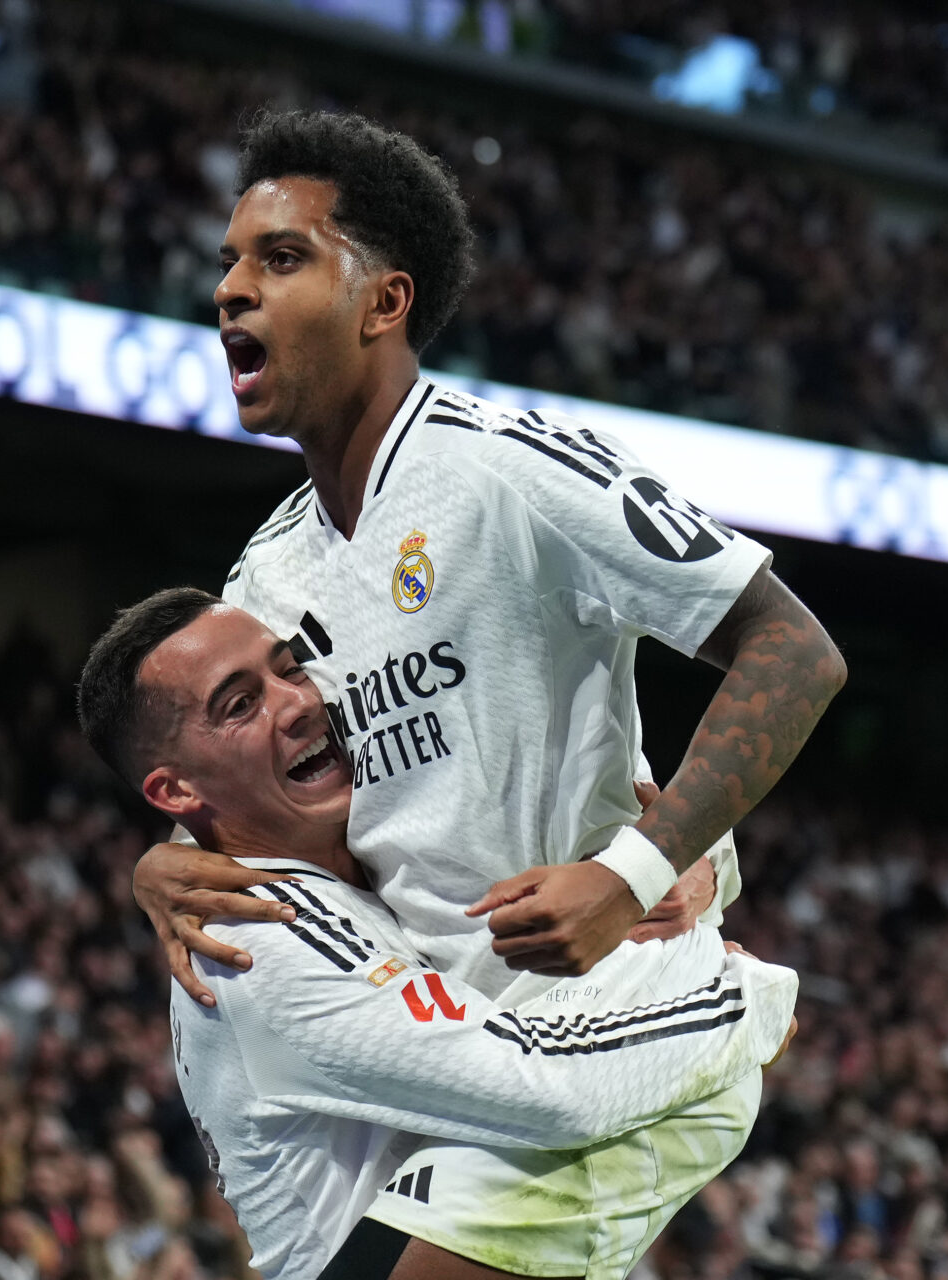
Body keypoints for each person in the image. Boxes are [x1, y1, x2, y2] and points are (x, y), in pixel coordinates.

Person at [133, 107, 845, 1002]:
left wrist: (640, 871)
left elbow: (794, 650)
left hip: (583, 1016)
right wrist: (166, 861)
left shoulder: (513, 469)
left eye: (281, 259)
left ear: (385, 303)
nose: (230, 289)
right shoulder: (264, 575)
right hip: (448, 1044)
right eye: (229, 262)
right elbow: (259, 798)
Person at [79, 589, 800, 1280]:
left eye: (291, 668)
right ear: (175, 792)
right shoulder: (256, 937)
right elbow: (548, 1084)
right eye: (241, 705)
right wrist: (747, 1005)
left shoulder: (366, 859)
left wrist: (687, 859)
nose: (299, 703)